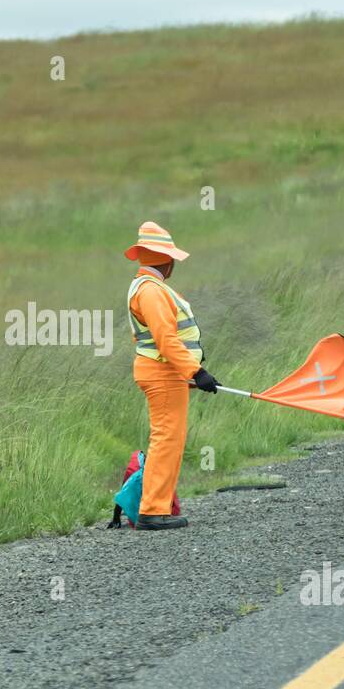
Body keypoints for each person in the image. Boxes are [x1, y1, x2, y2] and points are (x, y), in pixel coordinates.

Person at [124, 221, 221, 531]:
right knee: (167, 439)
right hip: (162, 373)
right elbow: (166, 340)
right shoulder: (151, 291)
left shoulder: (148, 286)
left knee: (169, 439)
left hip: (166, 372)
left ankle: (158, 507)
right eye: (172, 258)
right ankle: (153, 511)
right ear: (165, 260)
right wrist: (197, 371)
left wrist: (189, 374)